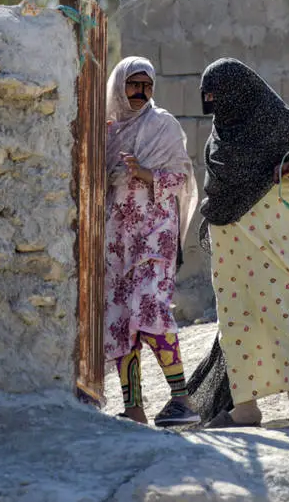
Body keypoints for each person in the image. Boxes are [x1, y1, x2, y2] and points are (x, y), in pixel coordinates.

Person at [184, 58, 289, 429]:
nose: (214, 106)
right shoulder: (219, 138)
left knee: (288, 315)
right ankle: (246, 408)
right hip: (232, 250)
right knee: (237, 324)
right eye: (208, 99)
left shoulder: (278, 123)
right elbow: (217, 191)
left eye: (219, 97)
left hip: (278, 243)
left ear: (241, 93)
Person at [104, 56, 200, 427]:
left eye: (147, 86)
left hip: (154, 239)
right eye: (133, 84)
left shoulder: (163, 125)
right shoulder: (108, 130)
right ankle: (134, 408)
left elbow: (182, 179)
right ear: (119, 86)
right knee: (120, 318)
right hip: (118, 241)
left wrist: (145, 174)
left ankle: (182, 400)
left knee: (150, 311)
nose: (141, 92)